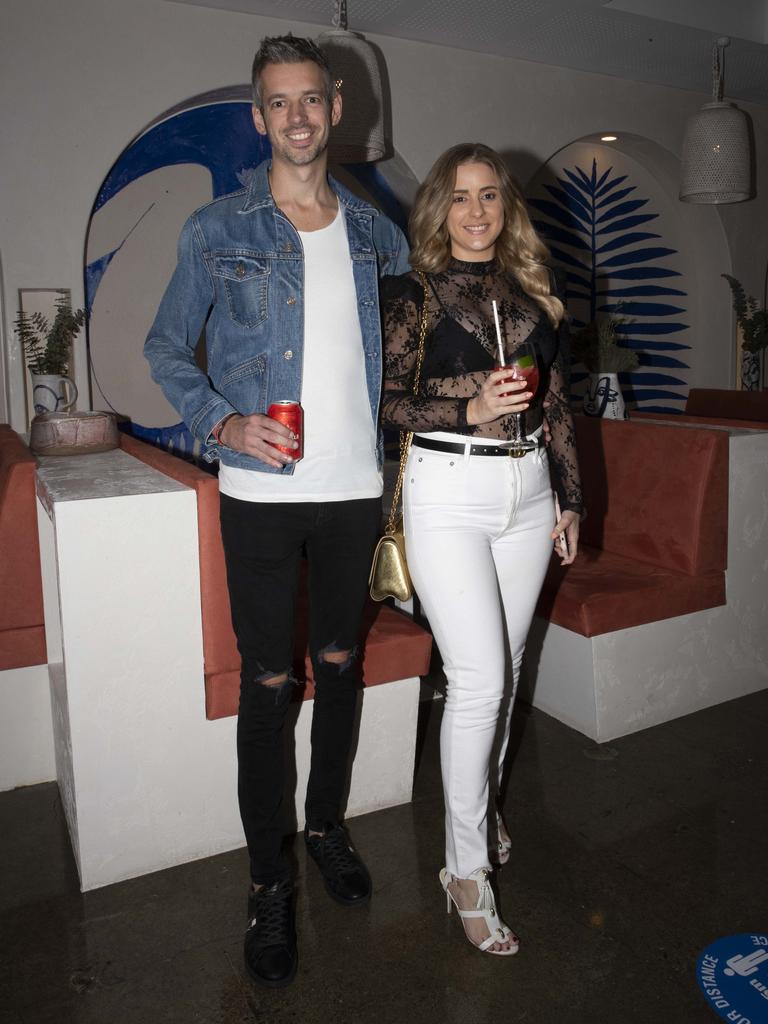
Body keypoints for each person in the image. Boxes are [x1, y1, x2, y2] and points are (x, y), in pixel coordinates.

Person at [144, 35, 409, 988]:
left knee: (338, 666)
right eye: (278, 103)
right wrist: (224, 422)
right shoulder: (218, 230)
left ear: (336, 108)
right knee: (270, 685)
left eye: (311, 99)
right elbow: (166, 348)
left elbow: (410, 352)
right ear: (260, 117)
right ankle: (269, 884)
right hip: (261, 498)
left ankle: (327, 827)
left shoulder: (382, 234)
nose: (297, 116)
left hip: (352, 492)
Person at [380, 142, 583, 956]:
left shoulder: (532, 299)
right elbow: (390, 404)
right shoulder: (412, 294)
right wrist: (471, 404)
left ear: (507, 208)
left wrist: (571, 499)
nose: (475, 211)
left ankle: (480, 807)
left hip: (528, 494)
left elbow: (559, 408)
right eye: (460, 196)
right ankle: (465, 870)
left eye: (490, 195)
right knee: (480, 680)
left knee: (508, 668)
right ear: (440, 208)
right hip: (448, 493)